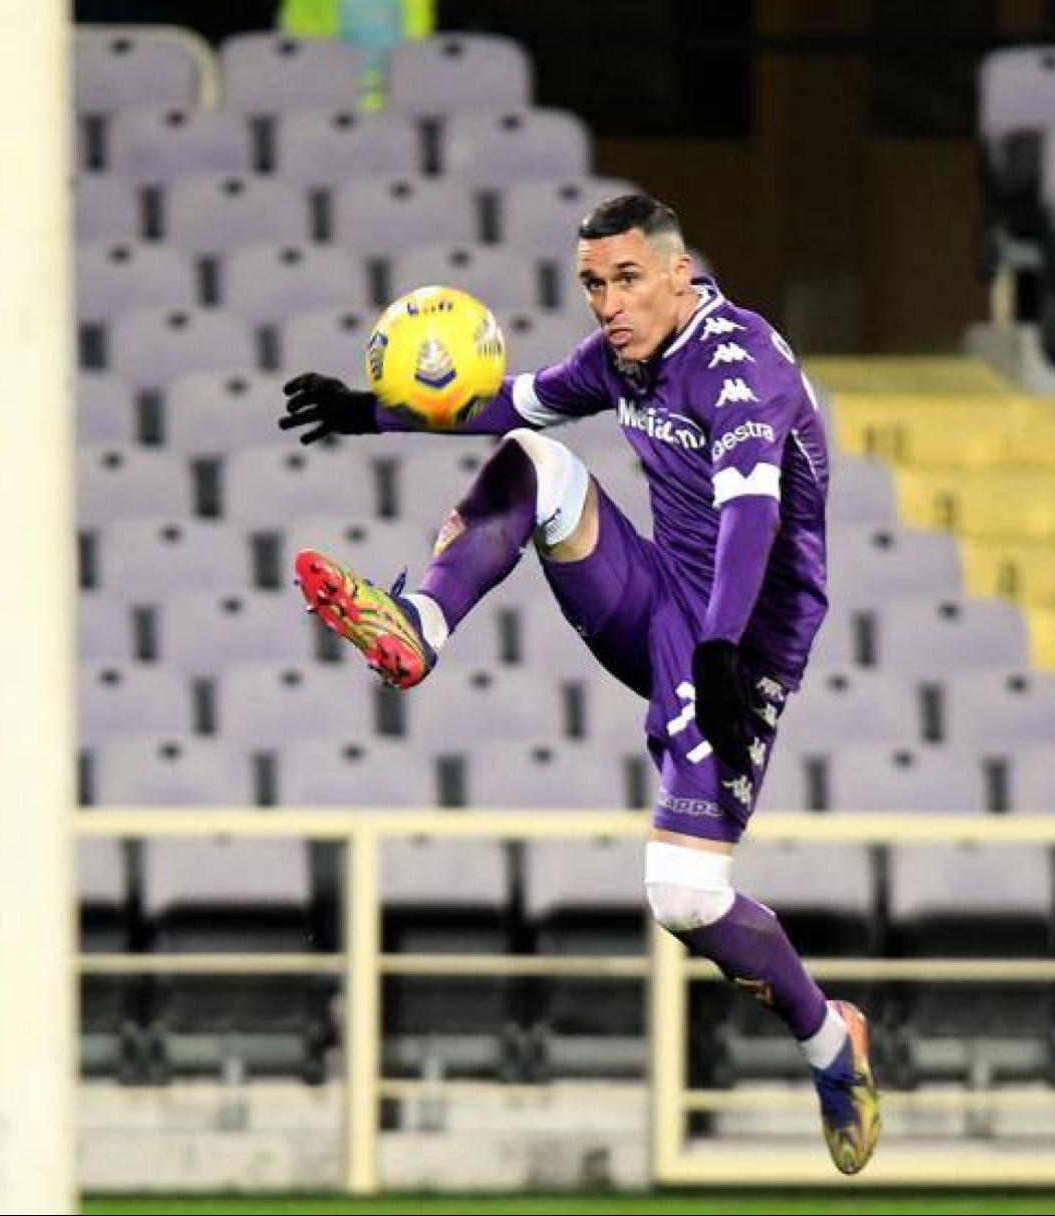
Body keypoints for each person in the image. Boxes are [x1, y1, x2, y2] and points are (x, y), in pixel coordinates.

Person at [279, 193, 881, 1174]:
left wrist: (723, 648)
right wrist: (370, 413)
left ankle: (829, 1038)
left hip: (742, 648)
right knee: (534, 460)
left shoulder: (743, 365)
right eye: (594, 284)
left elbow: (751, 519)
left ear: (683, 273)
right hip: (656, 607)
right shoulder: (623, 357)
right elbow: (511, 399)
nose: (609, 304)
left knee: (683, 896)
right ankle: (420, 626)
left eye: (628, 279)